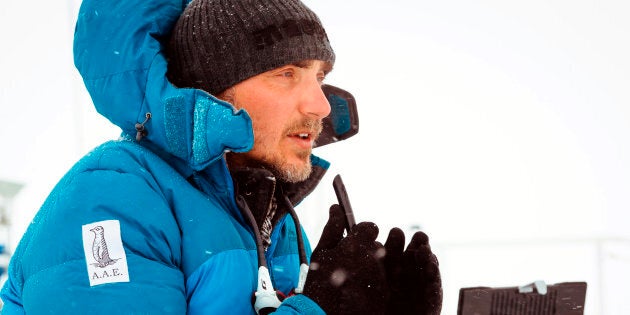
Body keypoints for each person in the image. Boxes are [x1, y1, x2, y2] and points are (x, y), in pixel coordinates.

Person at [0, 0, 442, 314]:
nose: (321, 105)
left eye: (320, 76)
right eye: (285, 74)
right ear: (211, 96)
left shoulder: (269, 217)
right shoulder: (110, 200)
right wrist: (320, 308)